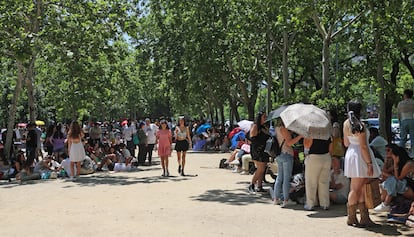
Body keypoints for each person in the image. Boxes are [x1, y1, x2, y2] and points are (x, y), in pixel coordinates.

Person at [343, 101, 381, 227]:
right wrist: (369, 163)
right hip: (360, 156)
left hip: (351, 153)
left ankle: (360, 217)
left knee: (358, 187)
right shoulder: (361, 126)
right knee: (356, 188)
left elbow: (346, 143)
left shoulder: (346, 124)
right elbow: (364, 146)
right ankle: (354, 217)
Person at [374, 145, 414, 212]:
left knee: (393, 180)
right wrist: (386, 161)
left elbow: (398, 178)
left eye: (388, 150)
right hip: (405, 186)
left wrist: (395, 164)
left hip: (411, 188)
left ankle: (386, 204)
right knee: (388, 181)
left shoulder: (409, 164)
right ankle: (384, 202)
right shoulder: (399, 163)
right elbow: (384, 172)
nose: (386, 152)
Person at [303, 136, 332, 211]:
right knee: (324, 182)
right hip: (326, 157)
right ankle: (325, 203)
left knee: (311, 182)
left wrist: (306, 154)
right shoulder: (326, 132)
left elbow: (307, 144)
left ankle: (310, 204)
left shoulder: (312, 132)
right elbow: (330, 147)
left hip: (314, 157)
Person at [397, 89, 414, 157]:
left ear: (405, 95)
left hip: (403, 120)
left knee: (403, 138)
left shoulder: (400, 103)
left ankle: (400, 153)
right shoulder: (413, 102)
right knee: (413, 138)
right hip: (412, 120)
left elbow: (399, 114)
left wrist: (399, 122)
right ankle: (413, 153)